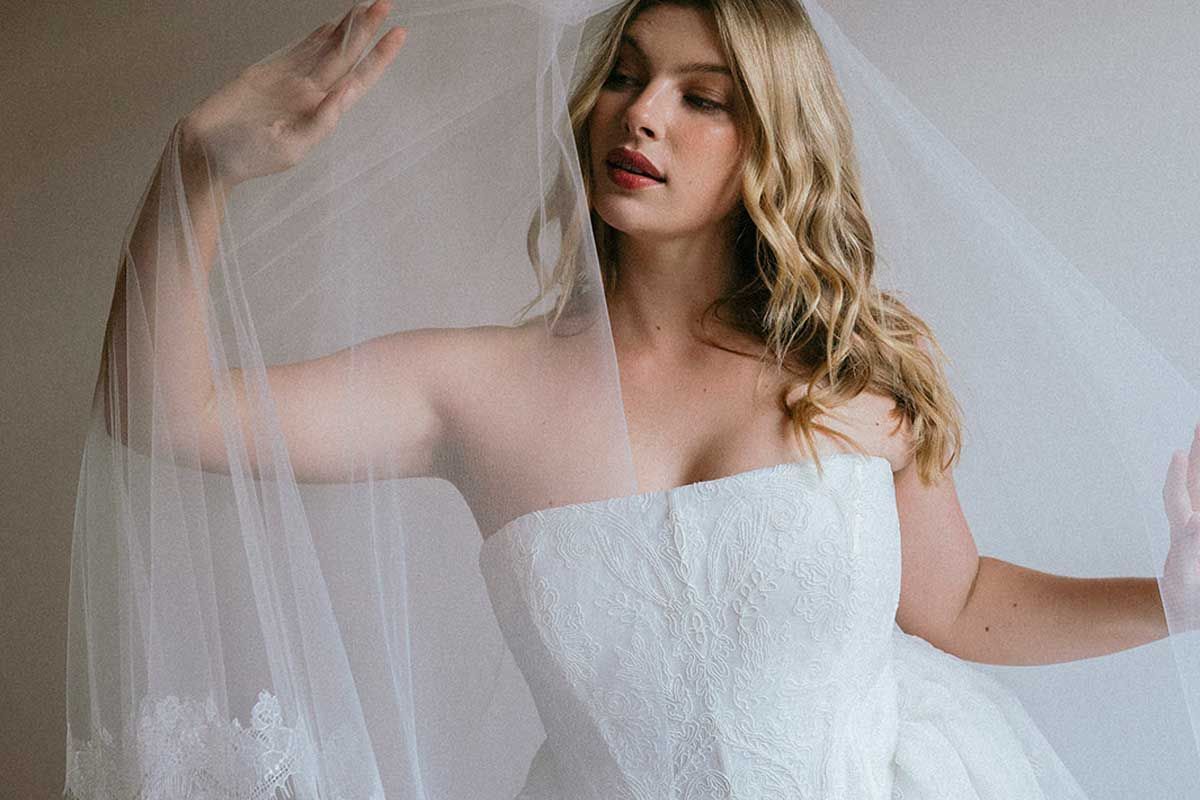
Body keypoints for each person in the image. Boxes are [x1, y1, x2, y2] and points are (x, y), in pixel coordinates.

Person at [68, 0, 1200, 797]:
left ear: (773, 148)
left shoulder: (855, 372)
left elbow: (958, 603)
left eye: (700, 96)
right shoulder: (474, 388)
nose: (641, 112)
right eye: (624, 74)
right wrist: (198, 165)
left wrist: (1176, 600)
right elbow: (165, 409)